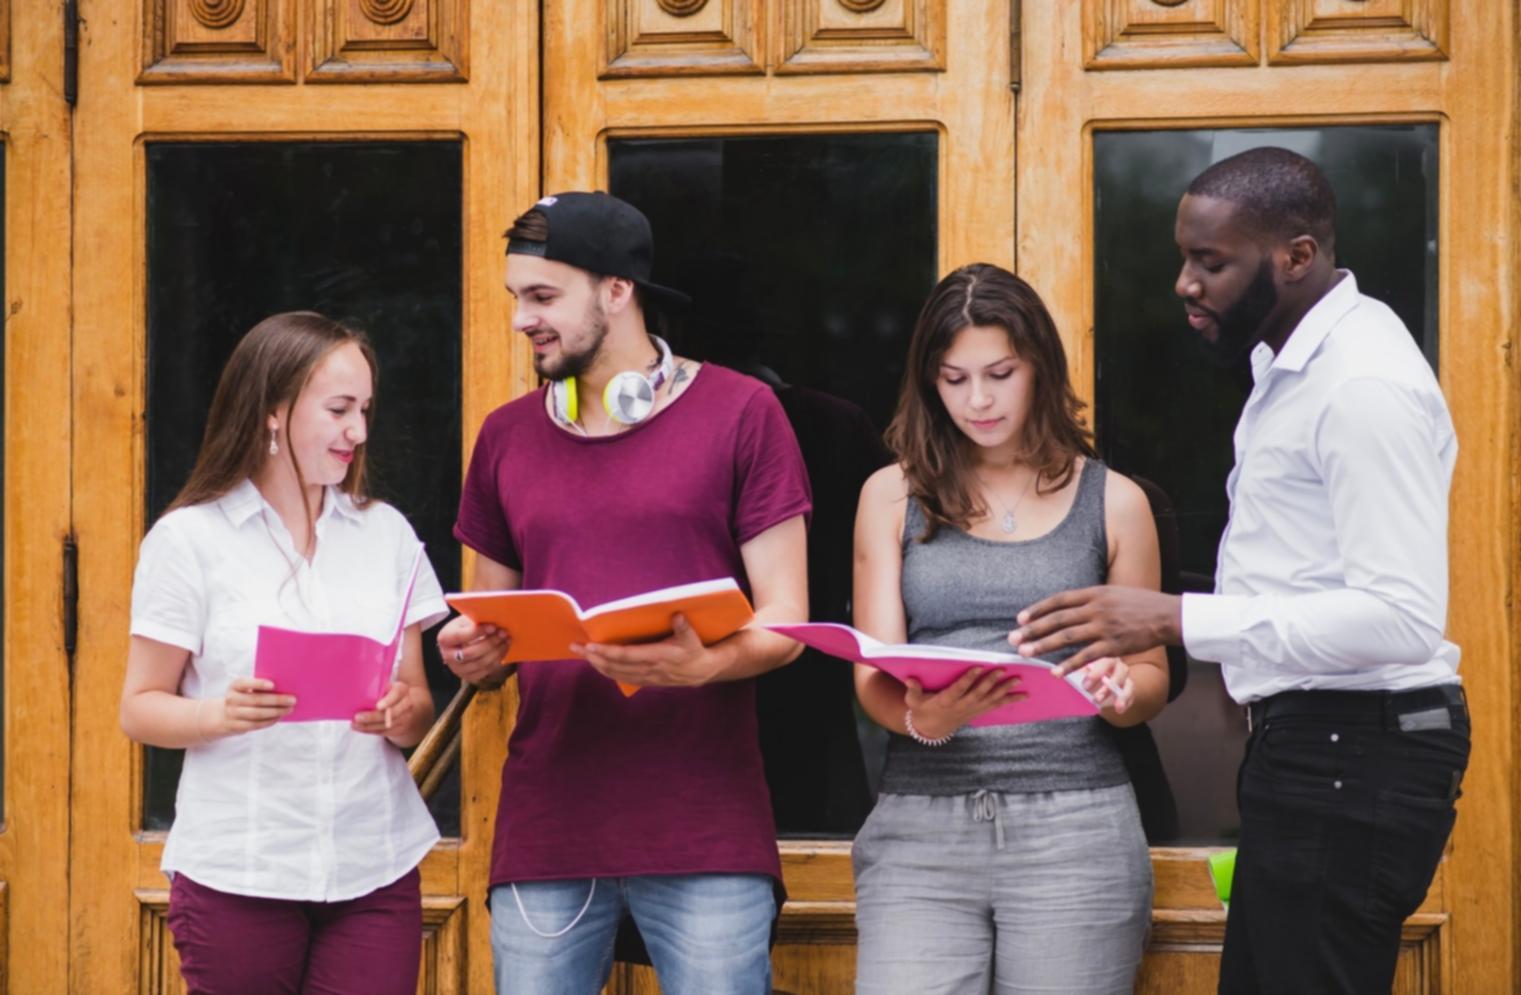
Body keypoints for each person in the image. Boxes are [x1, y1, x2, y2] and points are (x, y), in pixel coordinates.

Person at [1013, 147, 1471, 994]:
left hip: (1354, 754)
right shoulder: (1290, 369)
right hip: (1316, 748)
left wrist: (1173, 618)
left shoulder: (1359, 384)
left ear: (1295, 256)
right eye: (1184, 258)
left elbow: (1399, 616)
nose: (1185, 283)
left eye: (1209, 261)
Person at [436, 191, 811, 995]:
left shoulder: (744, 412)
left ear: (617, 290)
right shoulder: (504, 435)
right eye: (516, 298)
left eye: (542, 297)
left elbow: (787, 618)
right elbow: (488, 632)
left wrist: (703, 665)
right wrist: (472, 653)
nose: (520, 320)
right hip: (549, 823)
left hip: (706, 824)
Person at [850, 263, 1168, 994]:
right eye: (953, 378)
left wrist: (1119, 690)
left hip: (1077, 827)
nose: (978, 399)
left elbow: (1151, 677)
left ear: (1039, 368)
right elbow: (870, 674)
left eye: (999, 372)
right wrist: (920, 716)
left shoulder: (1114, 501)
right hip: (920, 828)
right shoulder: (887, 495)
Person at [120, 311, 447, 995]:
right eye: (338, 409)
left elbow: (418, 705)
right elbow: (140, 708)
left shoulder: (384, 533)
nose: (357, 430)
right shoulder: (189, 541)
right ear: (272, 411)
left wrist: (401, 712)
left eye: (364, 409)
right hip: (241, 866)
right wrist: (221, 714)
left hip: (373, 862)